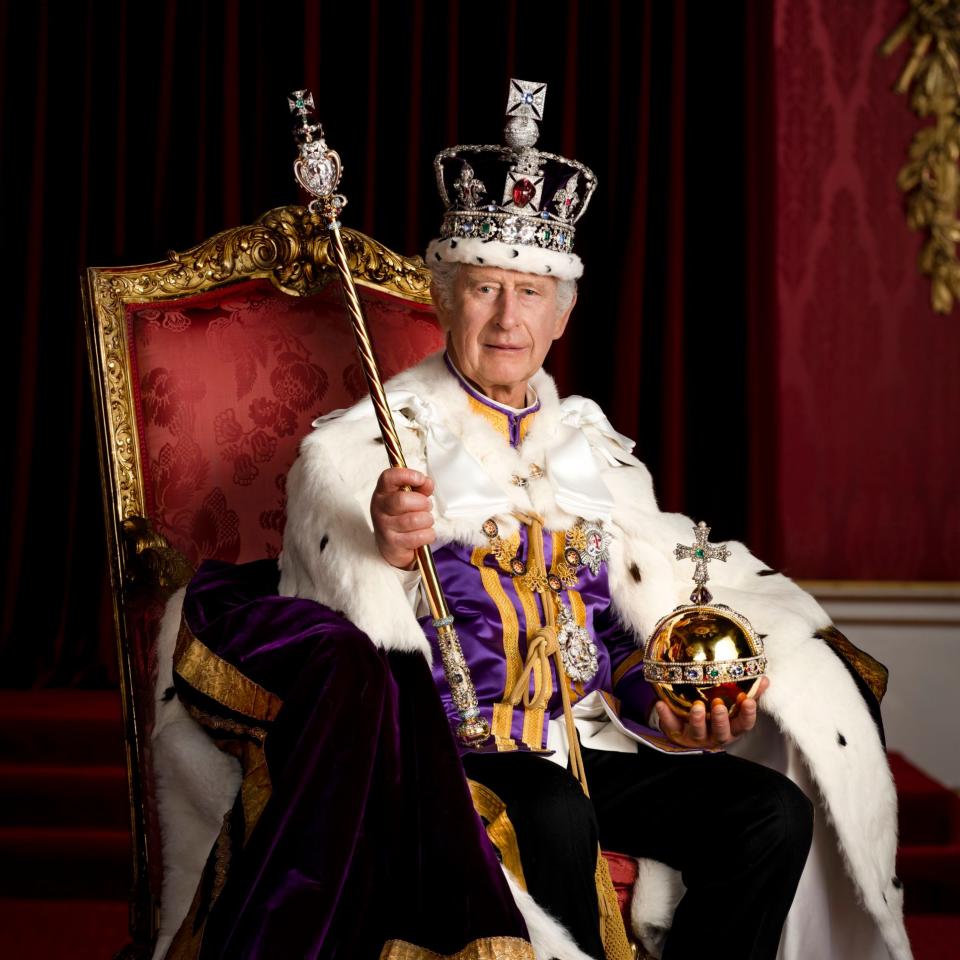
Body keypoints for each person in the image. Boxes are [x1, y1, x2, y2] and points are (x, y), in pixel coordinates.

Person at [156, 80, 912, 960]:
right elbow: (325, 613)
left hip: (576, 749)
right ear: (444, 299)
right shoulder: (364, 449)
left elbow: (614, 641)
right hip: (440, 757)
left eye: (531, 292)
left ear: (564, 313)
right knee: (554, 813)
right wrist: (383, 544)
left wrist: (671, 713)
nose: (508, 317)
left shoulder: (598, 456)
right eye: (484, 289)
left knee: (766, 813)